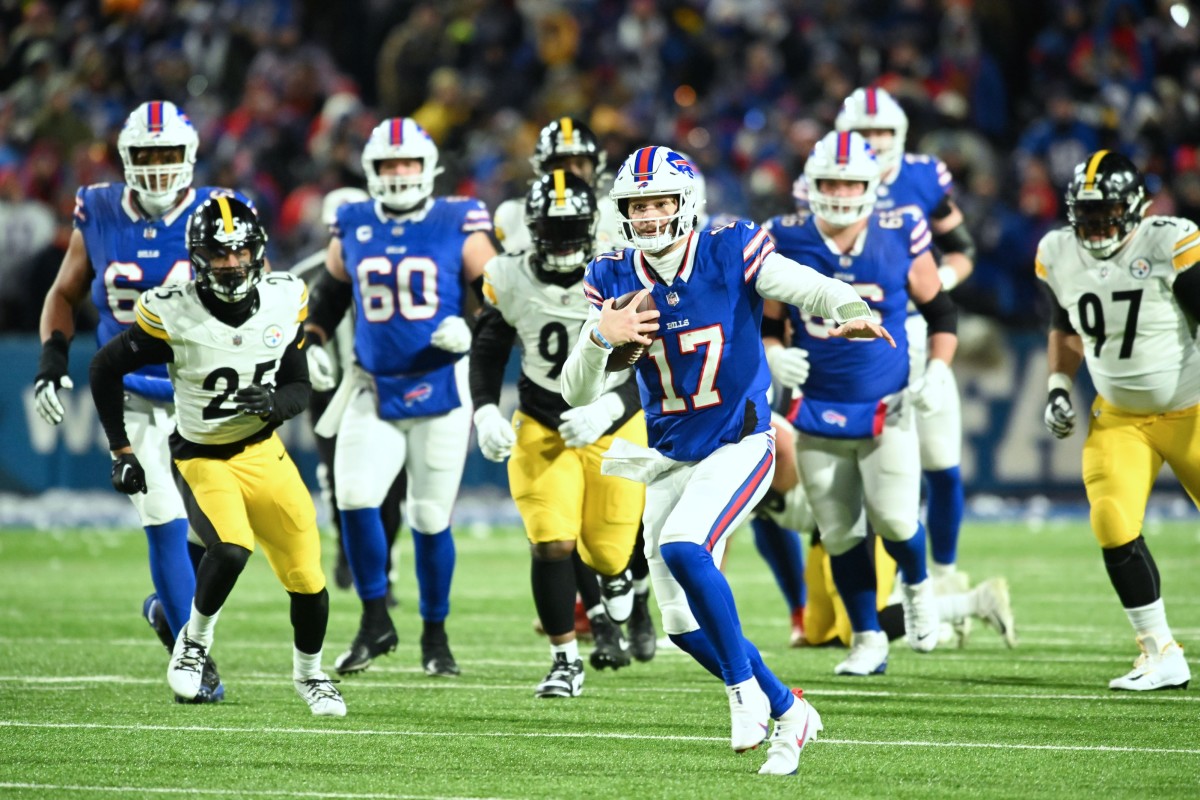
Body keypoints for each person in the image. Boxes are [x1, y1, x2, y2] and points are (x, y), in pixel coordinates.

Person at [561, 145, 894, 774]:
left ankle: (743, 696)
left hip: (739, 440)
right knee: (682, 626)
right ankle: (788, 710)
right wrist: (602, 338)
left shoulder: (727, 249)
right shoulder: (611, 276)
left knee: (687, 547)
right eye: (637, 205)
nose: (649, 215)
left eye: (659, 201)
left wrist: (849, 306)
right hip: (670, 455)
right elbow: (574, 390)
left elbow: (803, 284)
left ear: (685, 202)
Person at [89, 196, 346, 716]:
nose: (231, 263)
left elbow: (298, 387)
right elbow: (103, 368)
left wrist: (274, 405)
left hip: (262, 452)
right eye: (218, 253)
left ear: (258, 251)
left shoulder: (283, 299)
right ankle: (194, 642)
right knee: (229, 547)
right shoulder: (173, 312)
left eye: (240, 251)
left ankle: (311, 676)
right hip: (202, 455)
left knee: (309, 581)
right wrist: (121, 448)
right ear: (197, 257)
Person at [34, 100, 252, 703]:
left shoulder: (219, 213)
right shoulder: (100, 207)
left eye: (168, 155)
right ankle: (193, 656)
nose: (157, 168)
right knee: (163, 519)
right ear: (127, 159)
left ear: (191, 158)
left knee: (221, 535)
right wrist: (53, 360)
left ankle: (167, 607)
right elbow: (64, 292)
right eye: (146, 156)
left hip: (202, 391)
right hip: (128, 391)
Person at [305, 117, 496, 678]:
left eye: (408, 163)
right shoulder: (353, 219)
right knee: (356, 500)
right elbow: (330, 295)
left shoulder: (457, 217)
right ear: (371, 170)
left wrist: (473, 325)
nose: (398, 174)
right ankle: (373, 620)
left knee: (429, 517)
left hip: (440, 386)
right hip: (372, 384)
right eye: (388, 165)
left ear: (428, 166)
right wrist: (313, 341)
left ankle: (435, 637)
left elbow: (497, 292)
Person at [765, 131, 957, 676]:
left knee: (895, 522)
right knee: (840, 531)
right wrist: (774, 354)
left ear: (872, 184)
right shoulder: (785, 236)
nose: (841, 193)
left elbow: (941, 312)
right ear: (811, 182)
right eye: (830, 181)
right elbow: (769, 323)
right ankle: (868, 638)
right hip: (816, 408)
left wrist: (939, 370)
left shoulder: (900, 230)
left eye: (850, 182)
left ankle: (919, 586)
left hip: (885, 404)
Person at [471, 170, 645, 696]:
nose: (566, 239)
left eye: (574, 228)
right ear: (534, 228)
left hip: (615, 423)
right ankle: (564, 660)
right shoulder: (508, 274)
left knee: (610, 551)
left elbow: (656, 361)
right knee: (550, 541)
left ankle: (616, 578)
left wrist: (612, 404)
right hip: (542, 421)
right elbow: (489, 347)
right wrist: (483, 410)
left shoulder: (623, 269)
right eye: (555, 227)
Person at [1038, 150, 1199, 691]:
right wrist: (1059, 386)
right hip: (1120, 417)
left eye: (1106, 211)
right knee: (1111, 520)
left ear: (1135, 207)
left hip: (1192, 408)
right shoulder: (1058, 251)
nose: (1094, 224)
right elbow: (1064, 323)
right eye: (1085, 213)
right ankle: (1160, 652)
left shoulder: (1167, 240)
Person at [834, 87, 977, 626]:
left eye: (882, 133)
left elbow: (964, 248)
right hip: (852, 341)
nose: (873, 143)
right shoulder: (825, 176)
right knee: (873, 466)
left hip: (917, 328)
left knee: (941, 461)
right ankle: (888, 590)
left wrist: (941, 280)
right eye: (864, 133)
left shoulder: (921, 177)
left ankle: (942, 575)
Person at [292, 187, 406, 604]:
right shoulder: (305, 274)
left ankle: (382, 570)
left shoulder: (393, 265)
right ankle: (349, 553)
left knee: (394, 484)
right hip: (328, 391)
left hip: (381, 387)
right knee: (342, 482)